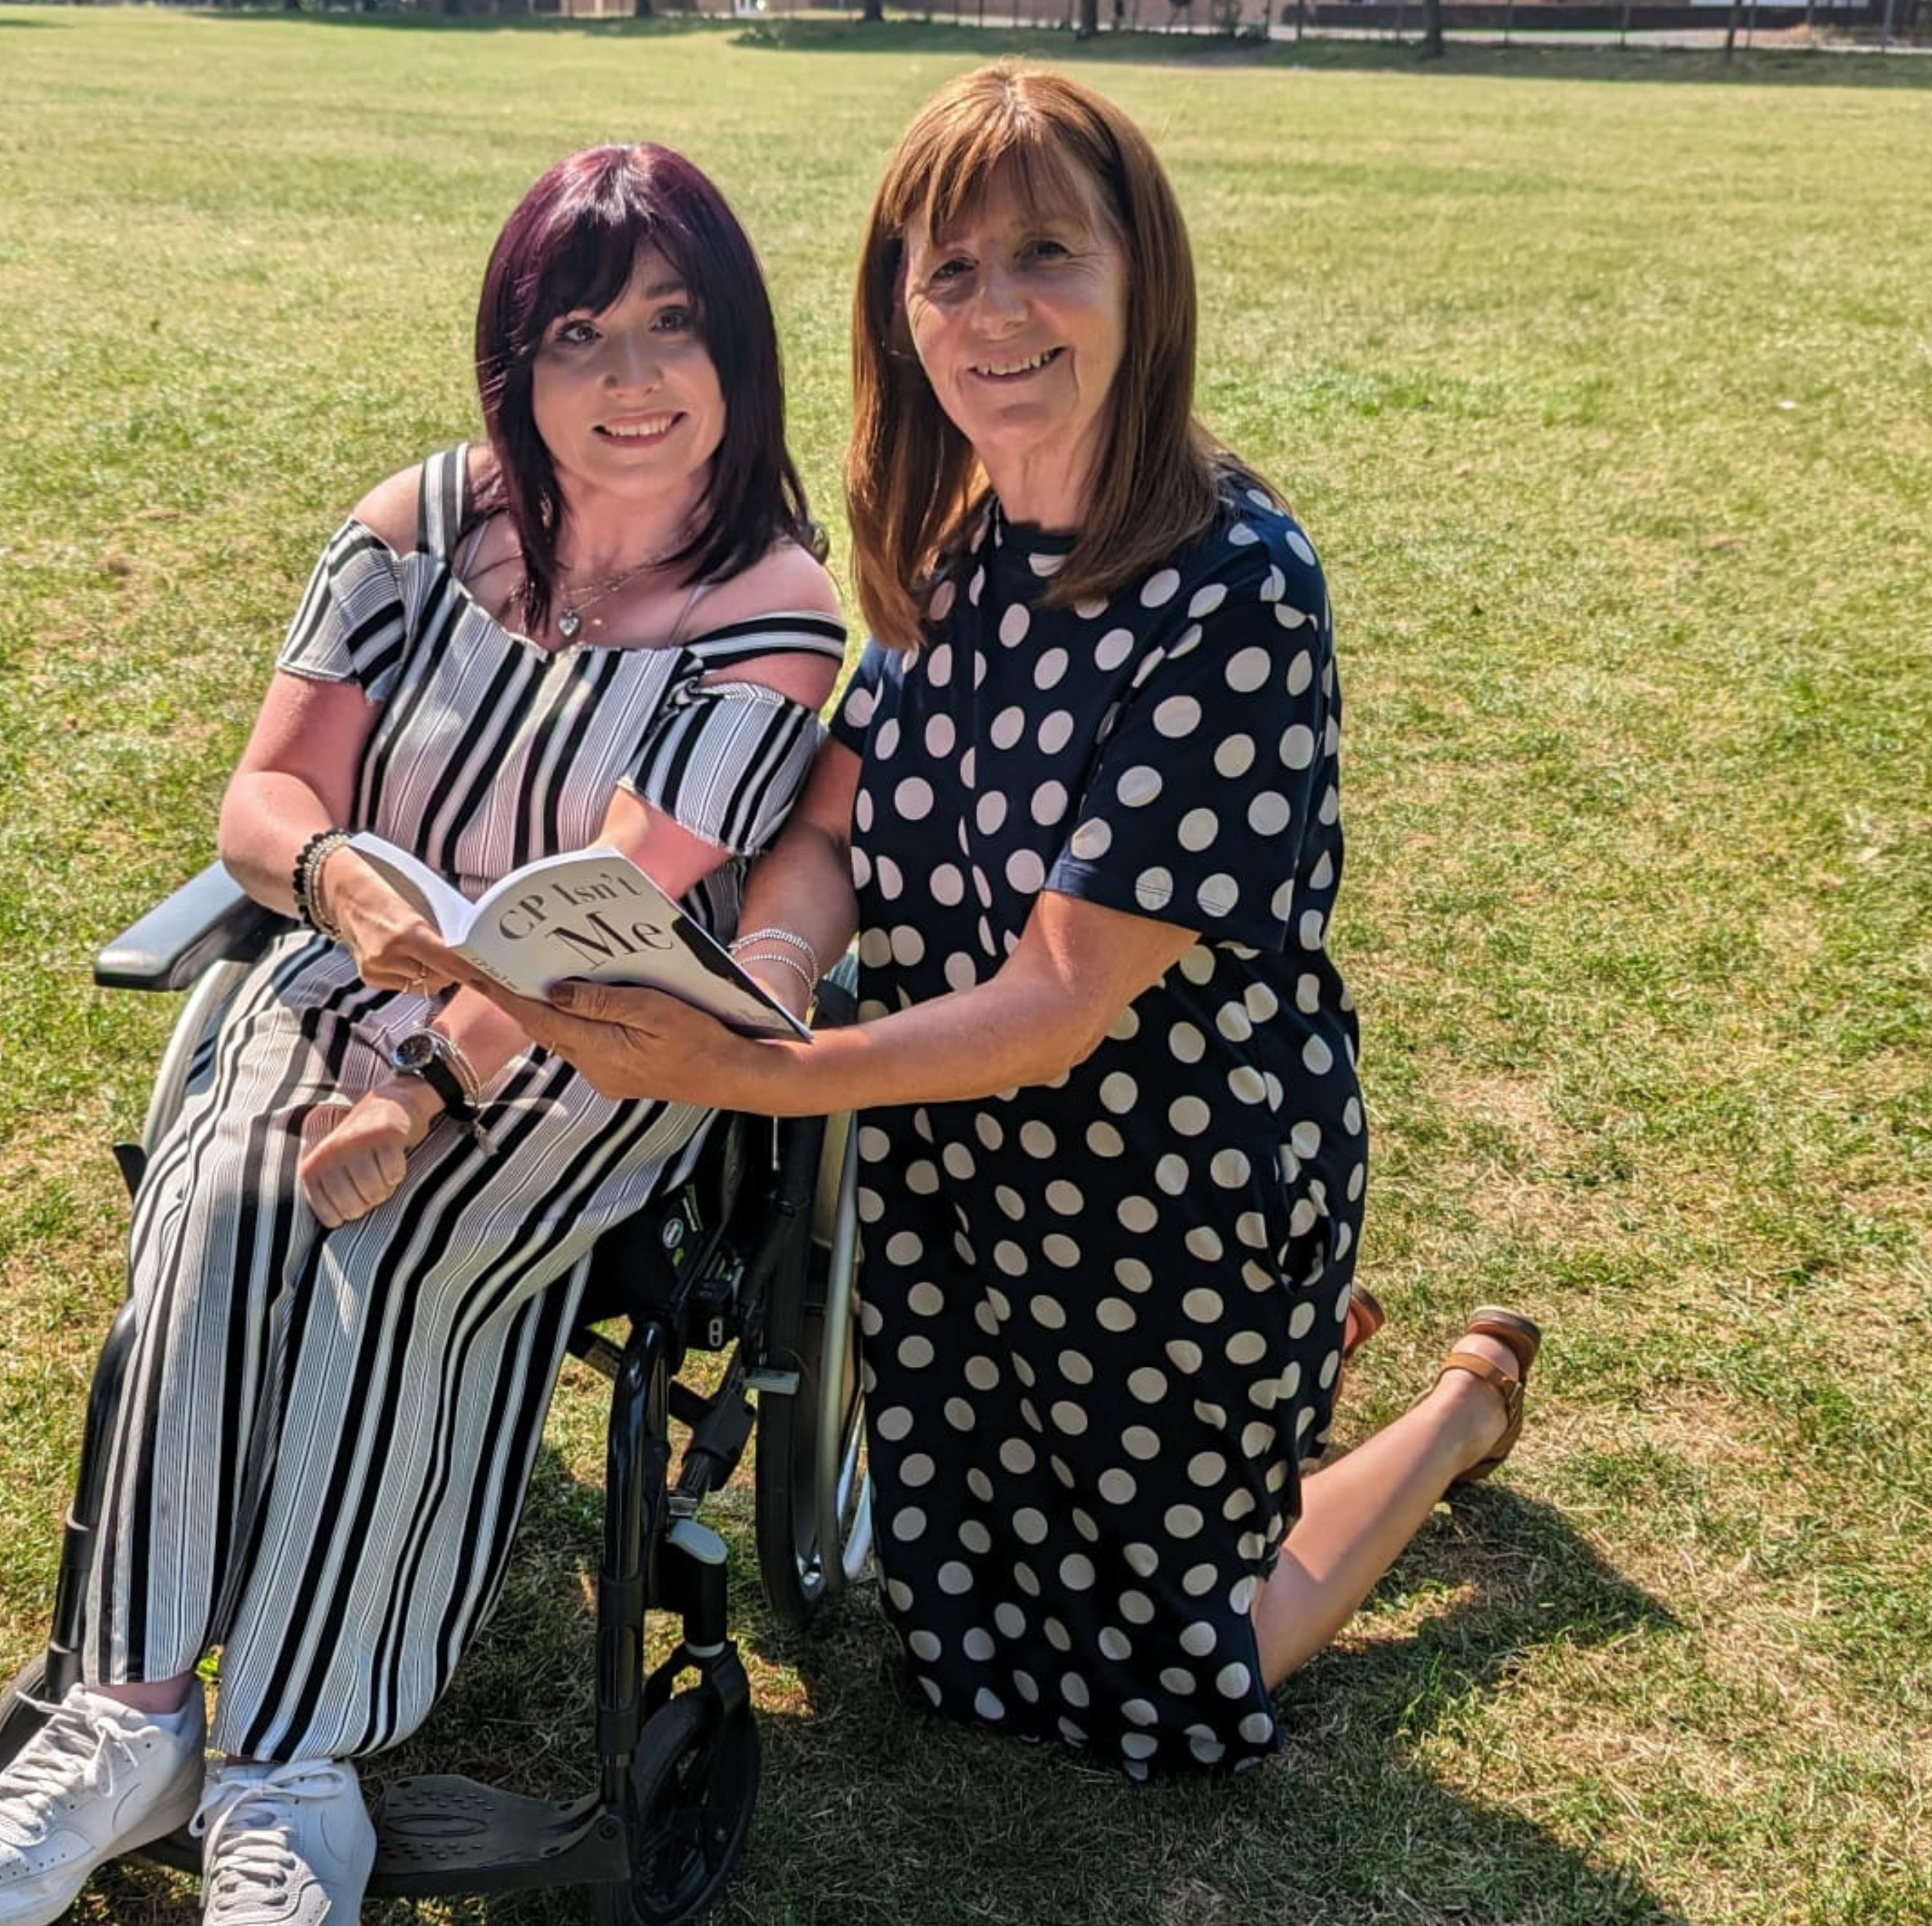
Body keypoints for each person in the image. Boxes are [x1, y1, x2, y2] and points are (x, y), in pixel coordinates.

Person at [498, 64, 1543, 1781]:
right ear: (898, 309)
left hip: (1170, 1186)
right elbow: (834, 816)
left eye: (1044, 253)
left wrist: (753, 1073)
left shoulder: (1235, 590)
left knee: (1154, 1695)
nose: (994, 311)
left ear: (1142, 279)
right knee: (956, 1644)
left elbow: (1063, 1001)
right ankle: (1286, 1395)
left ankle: (1451, 1413)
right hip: (953, 1183)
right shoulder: (951, 536)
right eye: (945, 269)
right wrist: (767, 974)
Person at [0, 145, 845, 1926]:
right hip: (340, 973)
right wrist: (330, 876)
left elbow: (609, 899)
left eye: (670, 329)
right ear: (514, 361)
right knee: (225, 1210)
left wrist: (425, 1082)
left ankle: (296, 1767)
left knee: (398, 1256)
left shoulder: (774, 611)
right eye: (578, 337)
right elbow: (262, 793)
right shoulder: (417, 522)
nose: (628, 382)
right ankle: (133, 1714)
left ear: (736, 354)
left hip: (591, 1035)